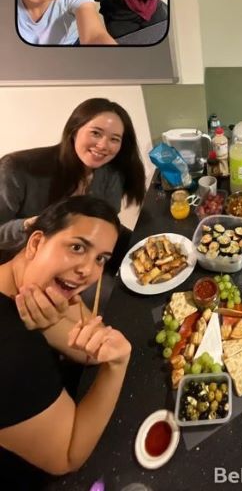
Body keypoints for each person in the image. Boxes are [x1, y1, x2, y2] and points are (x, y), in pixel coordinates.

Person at [0, 196, 131, 488]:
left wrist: (51, 325)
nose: (88, 269)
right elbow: (67, 456)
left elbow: (89, 336)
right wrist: (117, 365)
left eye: (101, 259)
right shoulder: (12, 352)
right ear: (35, 243)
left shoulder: (17, 271)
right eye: (77, 247)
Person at [0, 97, 146, 247]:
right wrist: (31, 224)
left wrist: (141, 243)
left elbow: (106, 224)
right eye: (96, 133)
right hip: (24, 260)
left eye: (114, 139)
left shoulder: (111, 172)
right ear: (74, 130)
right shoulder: (16, 167)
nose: (103, 145)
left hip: (86, 252)